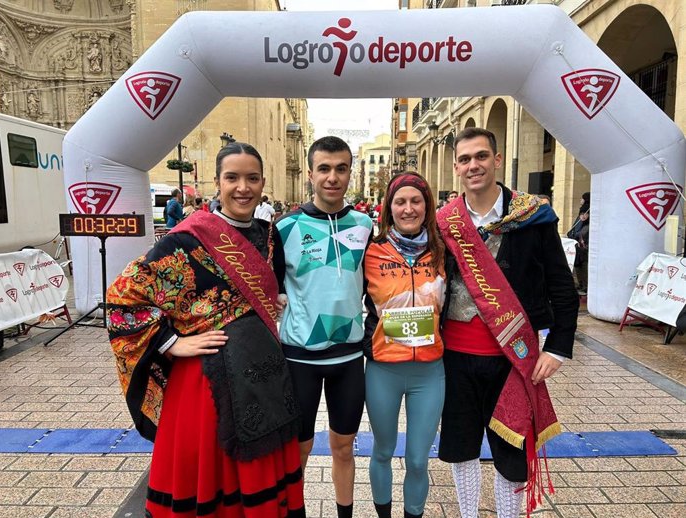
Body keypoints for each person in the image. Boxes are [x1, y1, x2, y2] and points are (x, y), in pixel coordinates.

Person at [107, 142, 305, 518]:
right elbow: (122, 296)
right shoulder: (186, 238)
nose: (242, 187)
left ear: (263, 183)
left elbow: (266, 289)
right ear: (218, 182)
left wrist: (273, 300)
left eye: (251, 178)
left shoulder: (269, 235)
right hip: (205, 385)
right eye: (232, 178)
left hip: (262, 377)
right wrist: (171, 343)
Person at [437, 128, 578, 518]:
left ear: (497, 160)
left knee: (510, 448)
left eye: (481, 156)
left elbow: (561, 284)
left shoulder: (532, 216)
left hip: (512, 356)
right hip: (455, 355)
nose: (473, 166)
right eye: (464, 160)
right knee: (461, 447)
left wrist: (558, 347)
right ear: (456, 168)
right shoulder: (445, 222)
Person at [274, 136, 373, 518]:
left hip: (349, 357)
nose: (333, 177)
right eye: (324, 169)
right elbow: (271, 288)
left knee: (344, 448)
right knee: (298, 449)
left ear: (350, 172)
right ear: (311, 174)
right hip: (299, 358)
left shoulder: (364, 225)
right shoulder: (285, 228)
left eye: (341, 168)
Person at [363, 173, 446, 518]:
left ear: (426, 206)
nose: (408, 209)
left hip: (429, 373)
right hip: (384, 370)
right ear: (388, 208)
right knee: (382, 451)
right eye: (400, 201)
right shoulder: (371, 252)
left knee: (416, 458)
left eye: (416, 201)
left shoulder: (444, 251)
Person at [567, 192, 590, 295]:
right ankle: (581, 284)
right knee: (578, 266)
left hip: (584, 247)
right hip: (578, 247)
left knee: (583, 267)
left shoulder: (587, 222)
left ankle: (585, 285)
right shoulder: (581, 216)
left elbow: (582, 232)